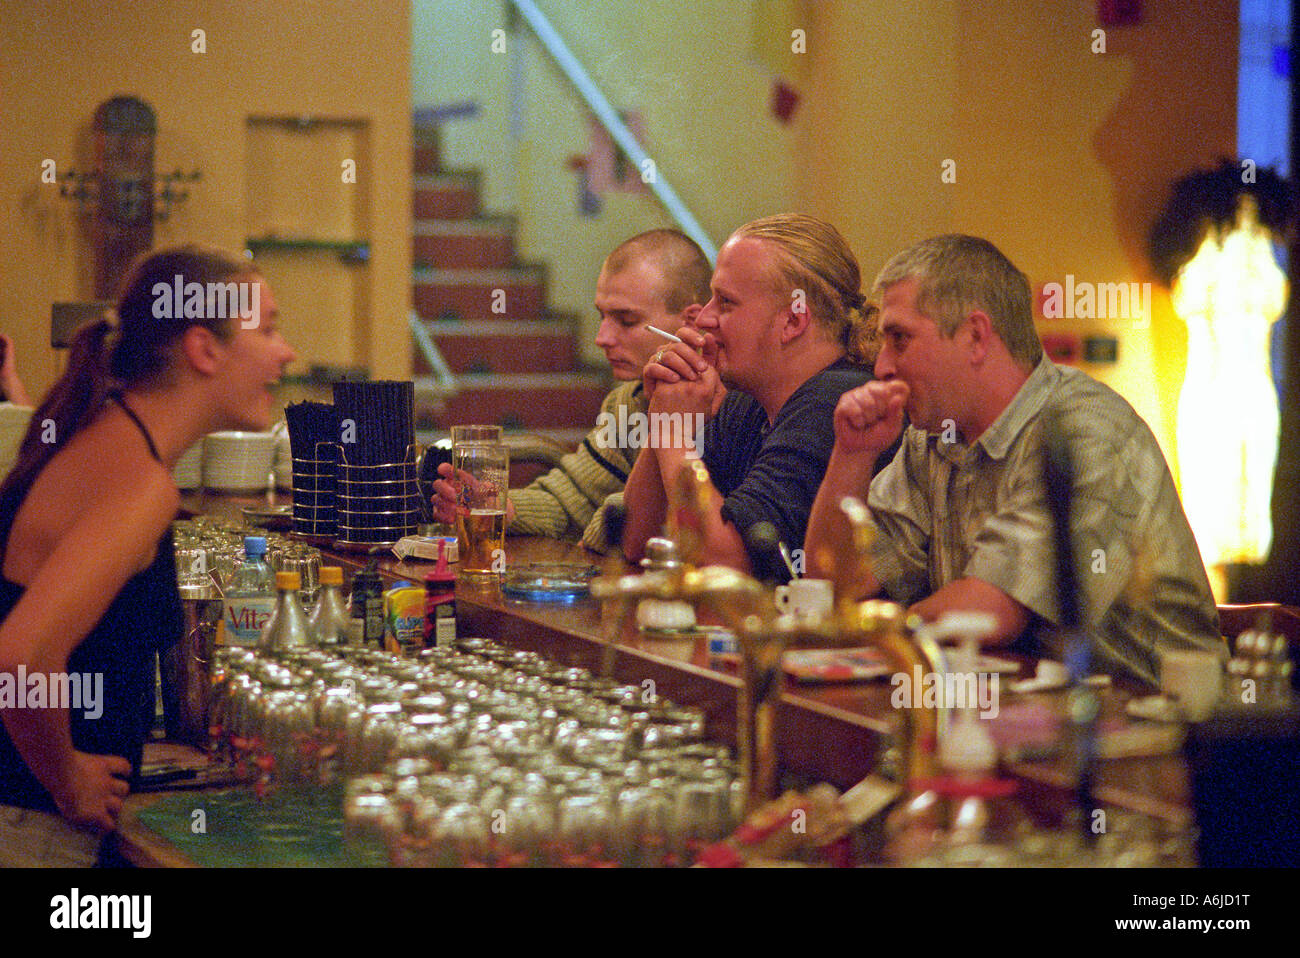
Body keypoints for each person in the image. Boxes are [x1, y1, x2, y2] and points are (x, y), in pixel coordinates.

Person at [805, 234, 1222, 685]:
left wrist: (875, 635)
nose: (882, 366)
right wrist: (852, 453)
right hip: (1029, 719)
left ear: (976, 336)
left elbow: (991, 610)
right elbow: (834, 583)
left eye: (899, 339)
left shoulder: (1084, 432)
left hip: (1163, 734)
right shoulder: (933, 438)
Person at [0, 244, 296, 865]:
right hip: (32, 828)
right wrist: (68, 779)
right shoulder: (139, 482)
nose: (285, 351)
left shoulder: (100, 430)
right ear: (204, 349)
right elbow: (20, 656)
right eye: (266, 328)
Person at [621, 213, 894, 580]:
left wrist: (672, 434)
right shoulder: (747, 403)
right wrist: (668, 412)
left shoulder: (837, 400)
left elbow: (727, 561)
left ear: (793, 321)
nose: (703, 318)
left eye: (726, 302)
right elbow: (640, 543)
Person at [431, 229, 712, 551]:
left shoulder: (734, 406)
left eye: (626, 320)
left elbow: (655, 530)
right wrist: (497, 507)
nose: (601, 337)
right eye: (602, 316)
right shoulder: (627, 401)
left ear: (691, 322)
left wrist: (601, 526)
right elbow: (573, 500)